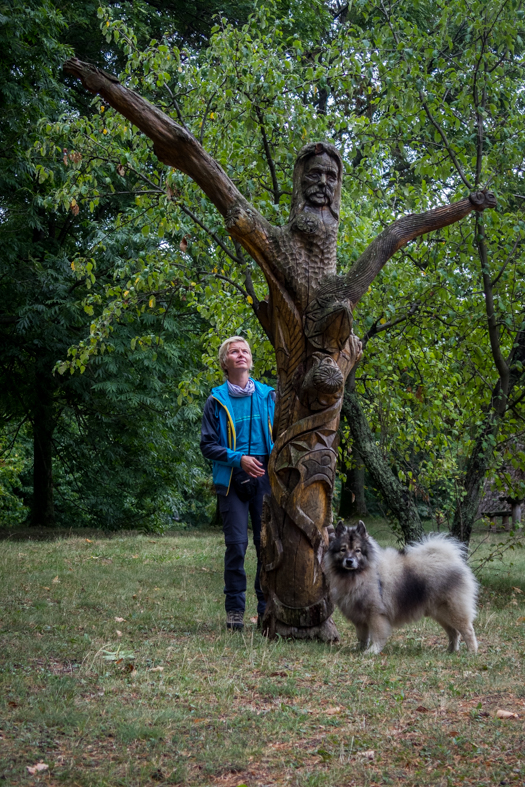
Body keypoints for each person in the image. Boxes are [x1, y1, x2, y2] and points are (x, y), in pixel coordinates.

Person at [200, 337, 275, 631]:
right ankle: (234, 612)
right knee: (236, 546)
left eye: (245, 351)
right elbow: (207, 445)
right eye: (234, 351)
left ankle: (265, 609)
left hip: (265, 478)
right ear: (225, 362)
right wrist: (238, 459)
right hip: (231, 479)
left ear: (251, 361)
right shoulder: (215, 400)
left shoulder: (270, 396)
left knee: (265, 544)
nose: (240, 354)